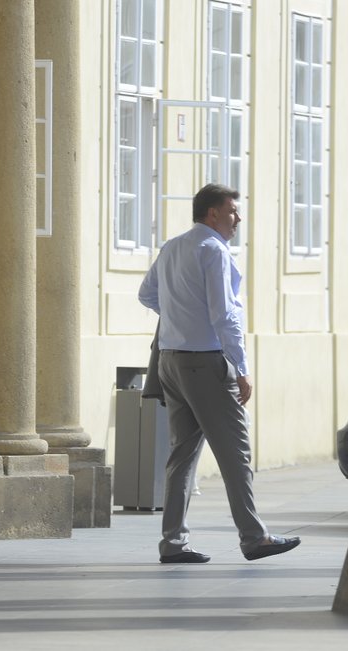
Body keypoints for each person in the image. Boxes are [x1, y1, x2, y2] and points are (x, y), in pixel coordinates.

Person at [138, 183, 301, 564]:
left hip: (171, 360)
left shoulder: (173, 246)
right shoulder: (213, 250)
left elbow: (147, 295)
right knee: (235, 452)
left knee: (181, 454)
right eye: (232, 211)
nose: (237, 219)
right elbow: (224, 314)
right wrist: (241, 368)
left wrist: (180, 315)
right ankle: (254, 537)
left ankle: (173, 542)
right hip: (205, 362)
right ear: (212, 214)